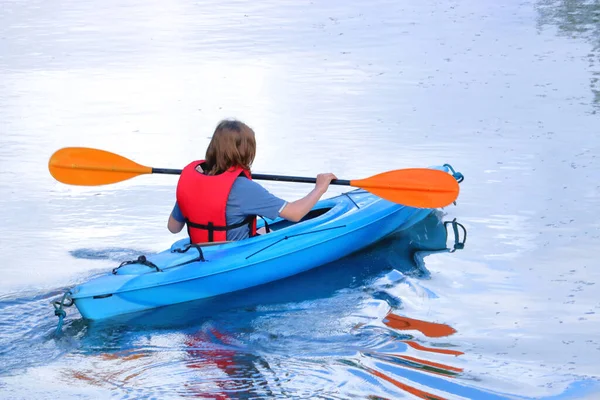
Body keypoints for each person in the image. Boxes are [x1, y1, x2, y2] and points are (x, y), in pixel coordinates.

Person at [168, 119, 337, 243]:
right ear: (246, 152)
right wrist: (319, 188)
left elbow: (173, 227)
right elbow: (295, 213)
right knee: (273, 231)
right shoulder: (243, 188)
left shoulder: (194, 181)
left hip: (200, 251)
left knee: (264, 229)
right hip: (233, 255)